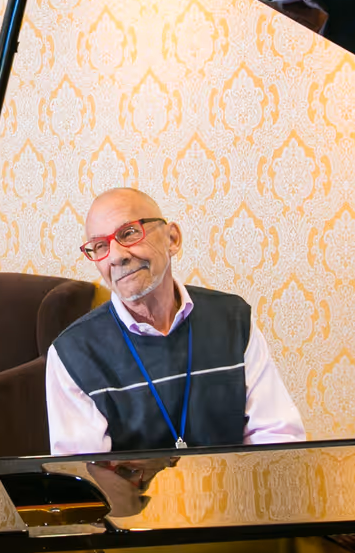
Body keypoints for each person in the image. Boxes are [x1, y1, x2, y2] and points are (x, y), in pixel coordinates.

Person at [44, 188, 305, 455]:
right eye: (100, 246)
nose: (116, 256)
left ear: (172, 239)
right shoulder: (72, 355)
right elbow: (85, 471)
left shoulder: (233, 319)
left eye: (129, 233)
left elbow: (278, 439)